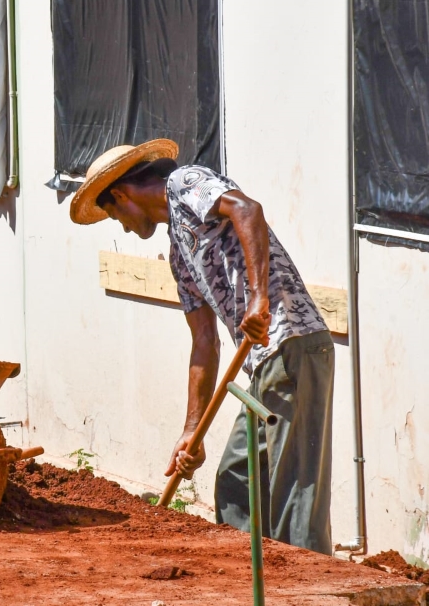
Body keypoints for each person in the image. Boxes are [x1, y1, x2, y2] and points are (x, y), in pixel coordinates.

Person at [69, 139, 334, 554]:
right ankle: (248, 581)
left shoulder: (185, 182)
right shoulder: (179, 252)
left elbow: (248, 210)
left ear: (121, 194)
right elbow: (204, 343)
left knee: (294, 490)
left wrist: (259, 297)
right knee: (236, 482)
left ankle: (310, 590)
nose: (121, 226)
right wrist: (191, 431)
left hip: (293, 343)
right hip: (263, 363)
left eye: (113, 213)